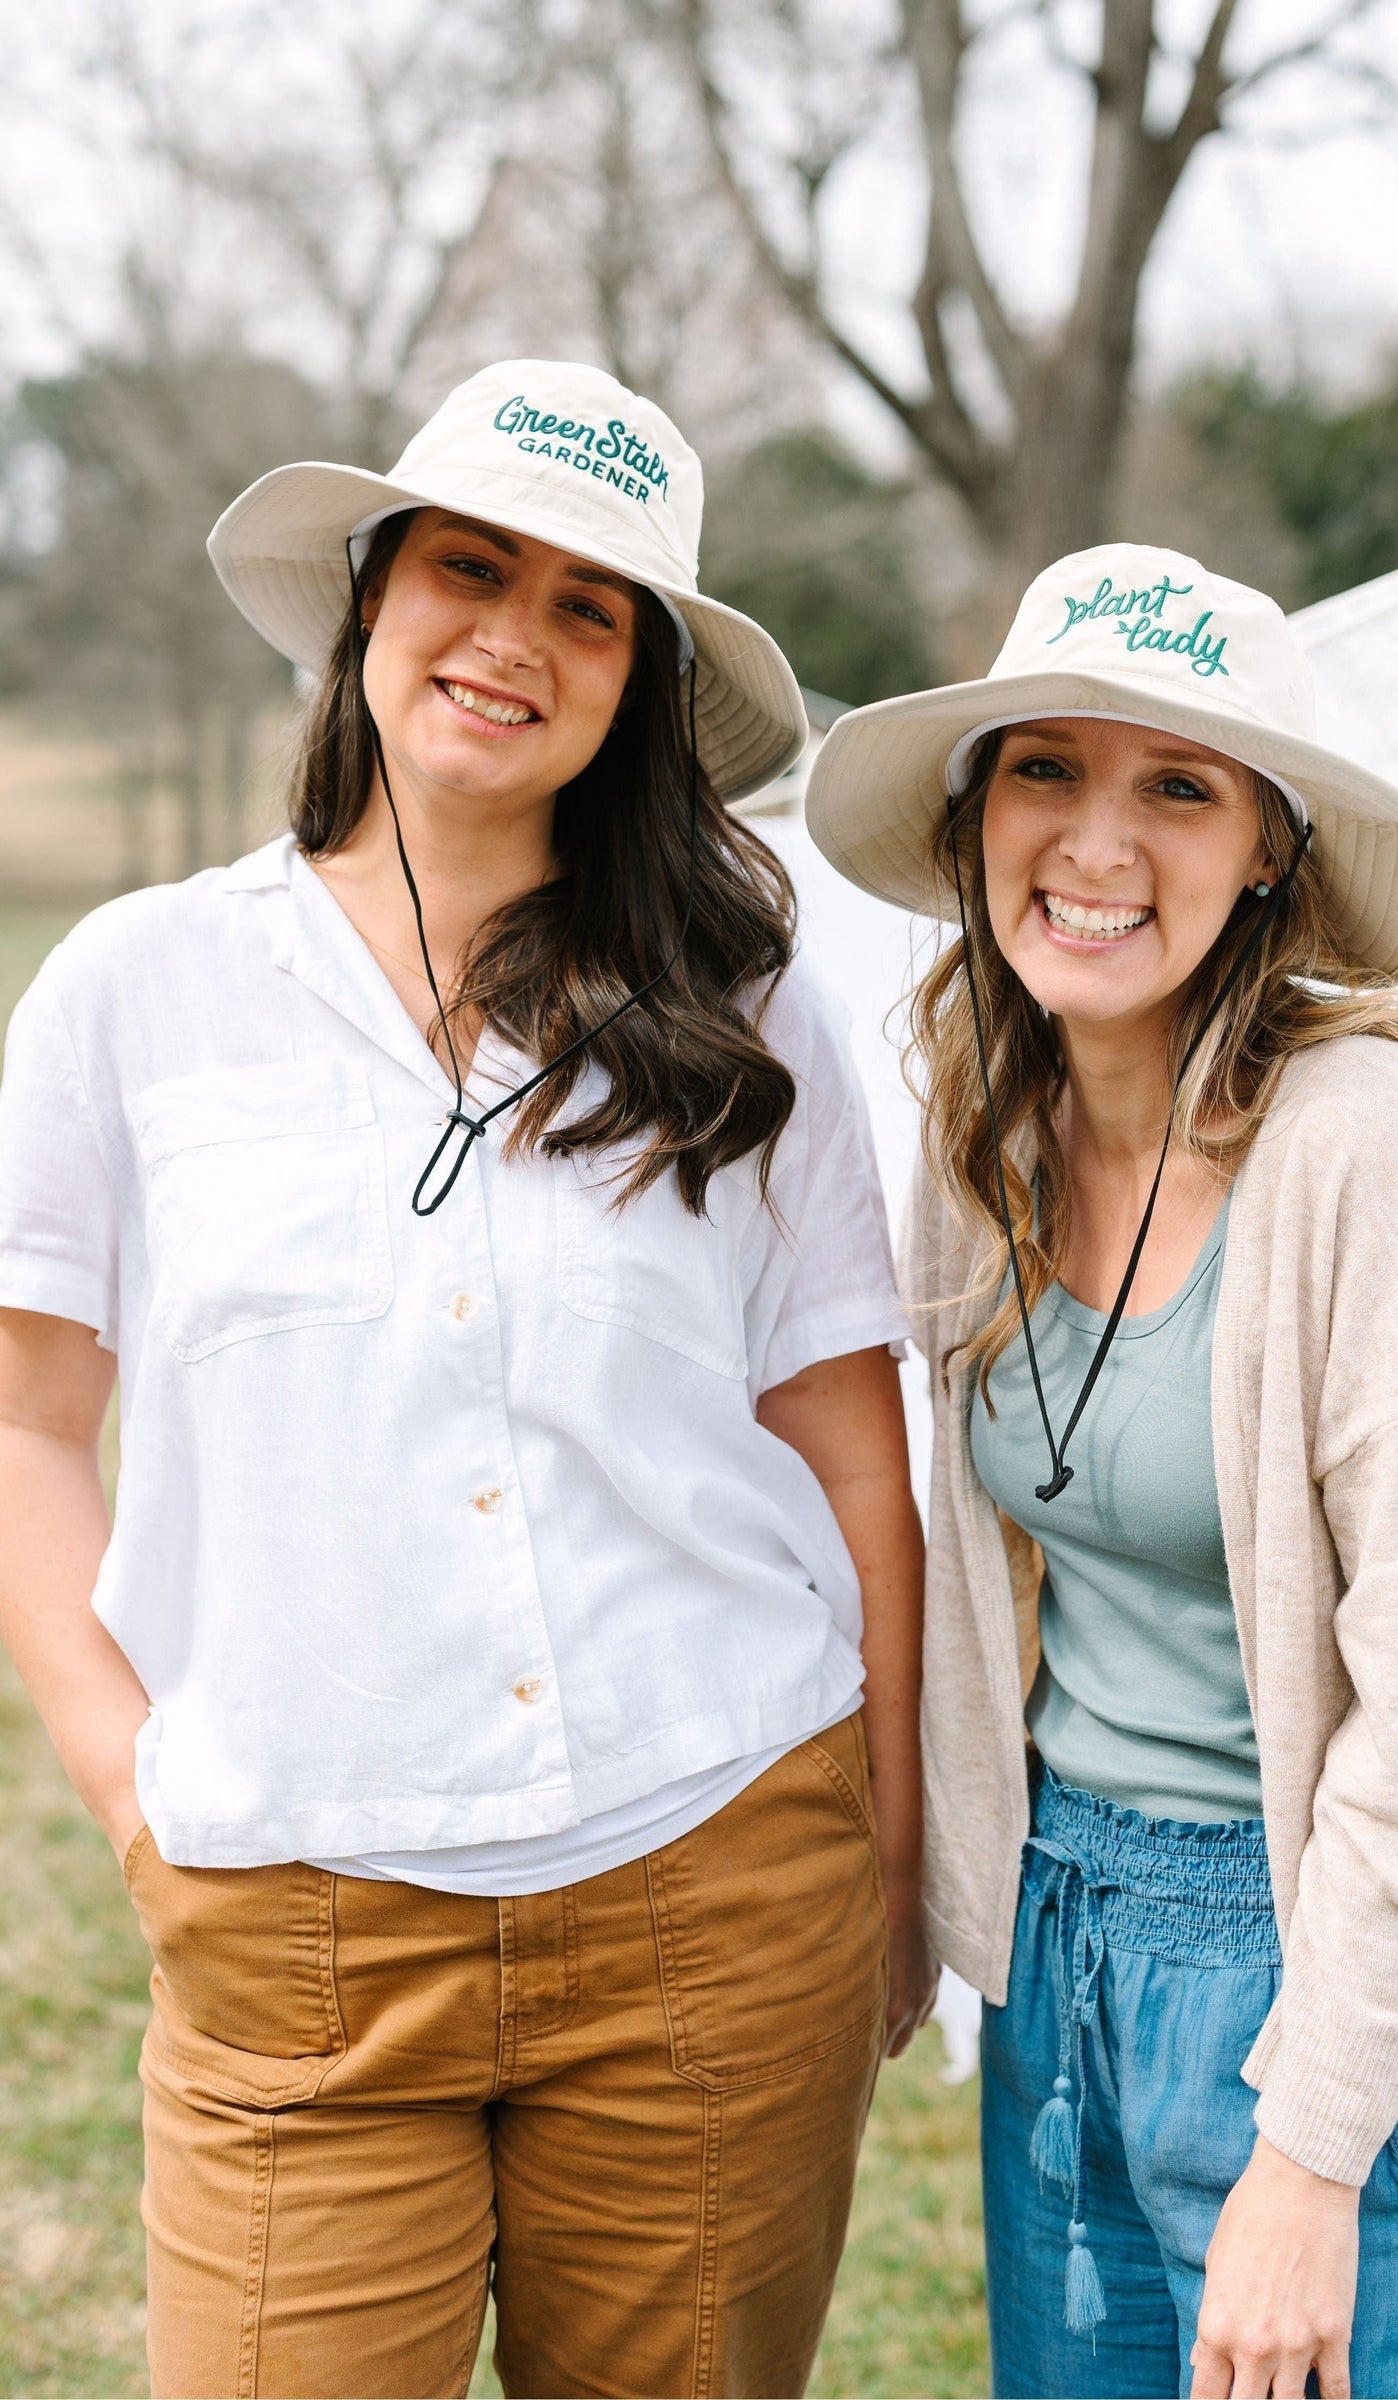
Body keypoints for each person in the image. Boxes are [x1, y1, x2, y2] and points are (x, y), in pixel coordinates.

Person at [0, 359, 936, 2400]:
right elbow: (22, 1418)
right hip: (298, 1928)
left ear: (637, 683)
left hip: (714, 1879)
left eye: (587, 606)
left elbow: (853, 1453)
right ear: (368, 596)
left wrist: (879, 1857)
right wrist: (129, 1789)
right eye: (467, 567)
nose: (513, 634)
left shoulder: (742, 998)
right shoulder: (136, 992)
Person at [805, 545, 1398, 2400]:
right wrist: (937, 1905)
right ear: (974, 810)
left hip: (1331, 1962)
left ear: (1268, 858)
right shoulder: (986, 1132)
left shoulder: (1361, 1162)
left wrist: (1311, 2156)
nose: (1097, 840)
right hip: (1066, 1938)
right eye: (1046, 768)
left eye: (1179, 785)